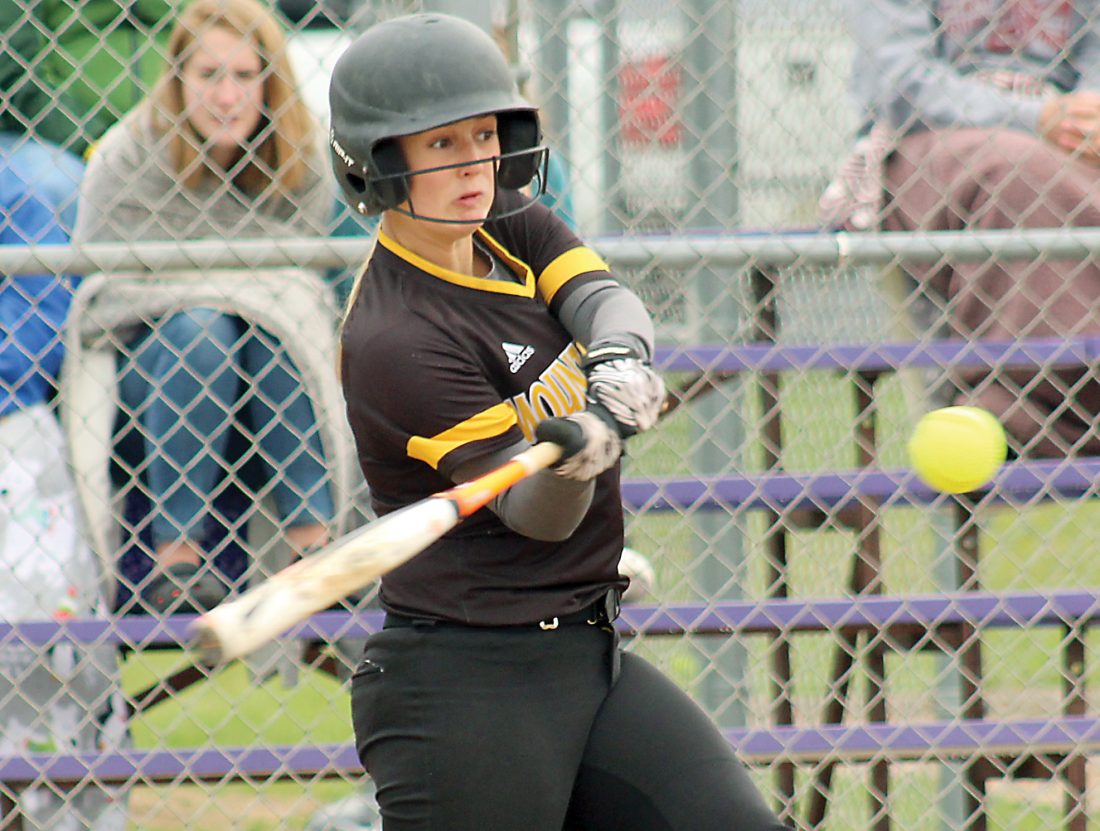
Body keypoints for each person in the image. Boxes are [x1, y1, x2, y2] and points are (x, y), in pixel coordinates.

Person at [329, 14, 788, 831]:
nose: (474, 163)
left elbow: (604, 298)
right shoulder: (396, 338)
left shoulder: (502, 220)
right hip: (466, 687)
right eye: (441, 144)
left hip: (586, 654)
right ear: (378, 163)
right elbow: (535, 515)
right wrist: (576, 456)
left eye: (483, 135)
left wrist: (615, 358)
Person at [72, 0, 337, 614]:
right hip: (153, 390)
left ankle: (314, 552)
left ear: (271, 83)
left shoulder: (301, 158)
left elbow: (303, 296)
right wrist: (224, 296)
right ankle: (177, 563)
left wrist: (228, 295)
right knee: (203, 329)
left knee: (272, 329)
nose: (226, 97)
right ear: (177, 79)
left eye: (245, 76)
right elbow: (103, 304)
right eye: (208, 75)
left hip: (268, 384)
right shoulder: (129, 156)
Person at [821, 0, 1100, 458]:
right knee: (1017, 171)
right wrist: (1035, 117)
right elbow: (898, 84)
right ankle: (1017, 419)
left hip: (1068, 139)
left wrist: (1084, 120)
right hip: (936, 133)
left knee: (1038, 171)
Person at [1, 141, 130, 831]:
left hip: (11, 426)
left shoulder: (20, 188)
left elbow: (32, 341)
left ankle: (62, 808)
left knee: (48, 604)